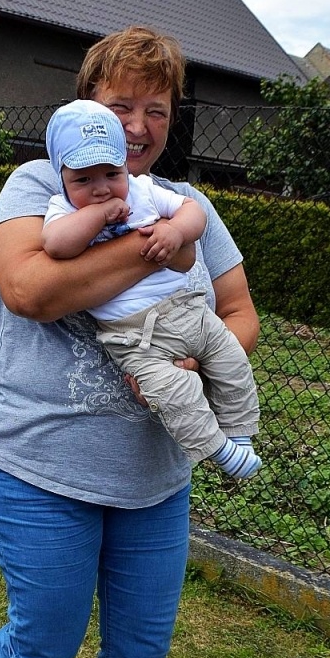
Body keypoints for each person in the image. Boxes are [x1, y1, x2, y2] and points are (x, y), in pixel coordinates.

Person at [0, 25, 260, 658]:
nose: (141, 123)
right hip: (36, 459)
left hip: (153, 475)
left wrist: (197, 355)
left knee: (140, 645)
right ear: (87, 109)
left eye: (157, 108)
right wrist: (152, 242)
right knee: (42, 645)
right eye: (122, 104)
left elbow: (240, 314)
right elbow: (31, 287)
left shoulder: (189, 202)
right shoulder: (41, 182)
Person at [42, 99, 261, 479]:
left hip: (187, 309)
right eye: (83, 180)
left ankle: (240, 431)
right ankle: (218, 449)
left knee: (230, 359)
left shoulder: (144, 191)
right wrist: (98, 216)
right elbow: (57, 245)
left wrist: (176, 231)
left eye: (111, 174)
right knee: (173, 391)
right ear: (62, 178)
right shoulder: (62, 209)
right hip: (132, 336)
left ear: (125, 165)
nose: (100, 189)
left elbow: (196, 213)